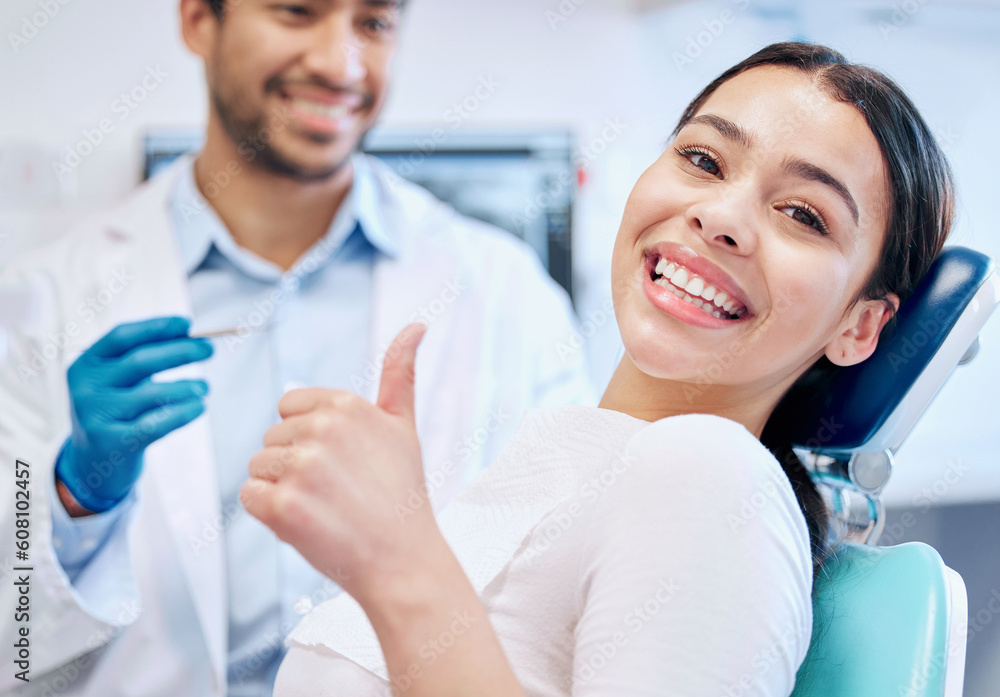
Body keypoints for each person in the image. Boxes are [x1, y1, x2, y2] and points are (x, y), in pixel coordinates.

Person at [242, 42, 956, 696]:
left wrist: (397, 562)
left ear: (860, 325)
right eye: (703, 160)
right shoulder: (564, 466)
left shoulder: (711, 477)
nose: (721, 216)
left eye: (803, 214)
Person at [0, 1, 593, 695]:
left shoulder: (504, 293)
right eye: (296, 11)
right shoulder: (45, 301)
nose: (338, 63)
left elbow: (566, 596)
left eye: (372, 24)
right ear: (198, 21)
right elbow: (14, 645)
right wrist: (73, 497)